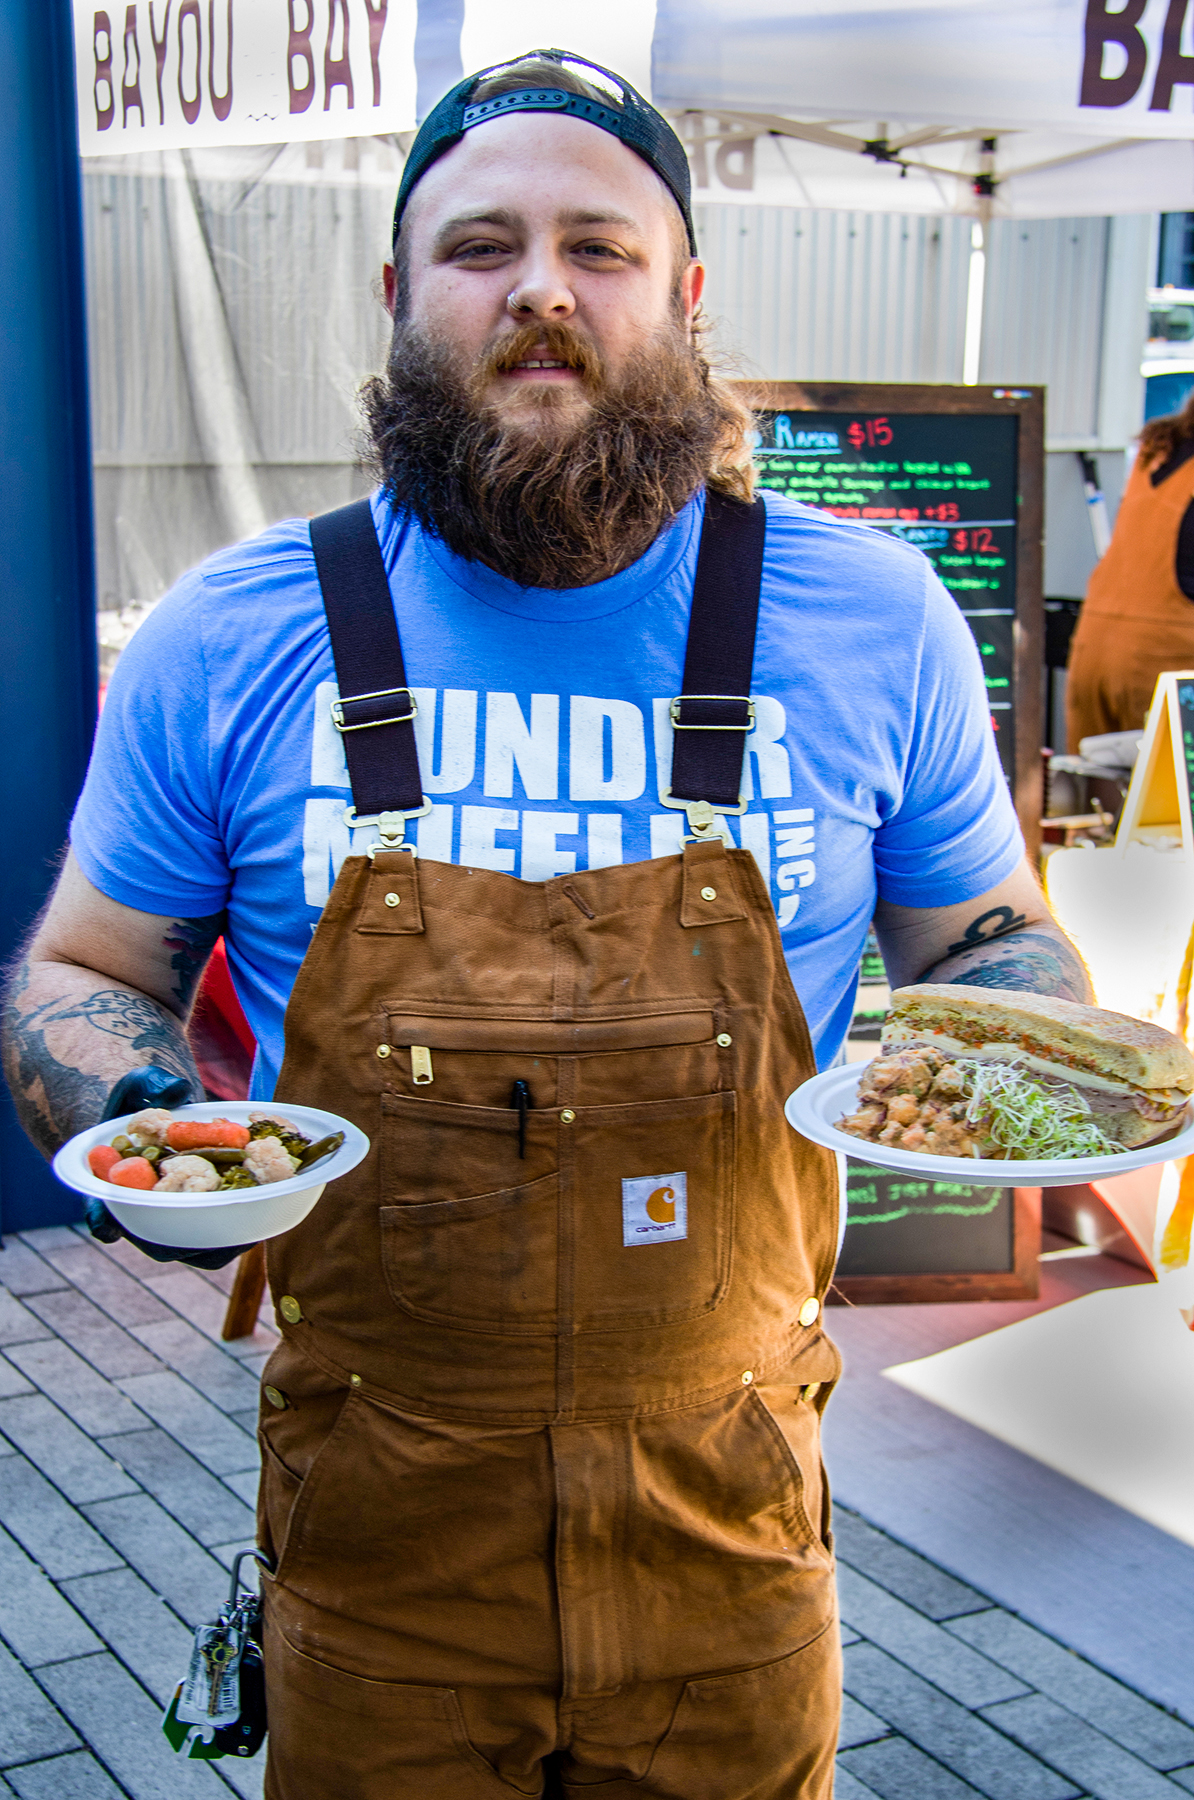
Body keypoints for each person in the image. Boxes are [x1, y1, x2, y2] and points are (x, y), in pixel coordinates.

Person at [3, 50, 1089, 1800]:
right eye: (480, 247)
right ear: (397, 295)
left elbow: (989, 941)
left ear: (684, 296)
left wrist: (1028, 1054)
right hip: (380, 1549)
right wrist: (143, 1128)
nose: (540, 293)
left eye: (599, 247)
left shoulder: (875, 617)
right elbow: (85, 969)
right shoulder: (233, 632)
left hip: (731, 1537)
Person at [1067, 385, 1194, 750]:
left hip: (1094, 650)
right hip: (1167, 662)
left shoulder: (1159, 449)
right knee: (1172, 800)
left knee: (1097, 795)